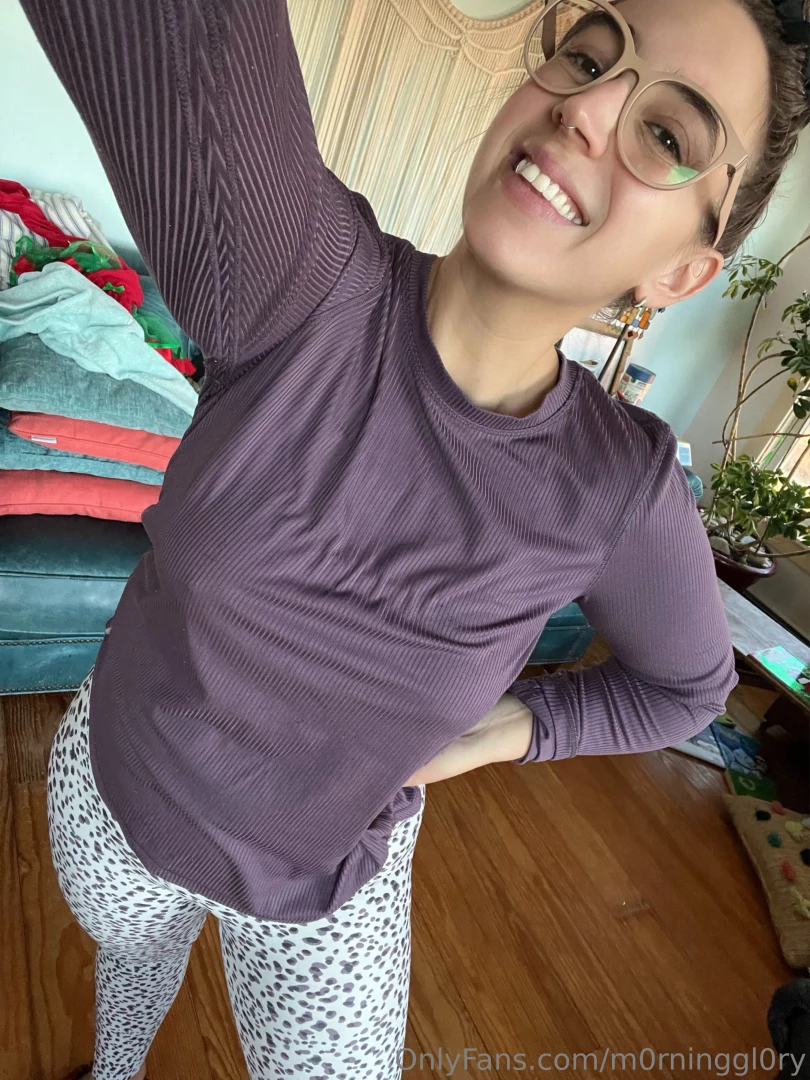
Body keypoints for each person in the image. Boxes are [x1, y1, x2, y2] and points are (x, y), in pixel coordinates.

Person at [21, 0, 809, 1077]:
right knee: (131, 965)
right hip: (117, 793)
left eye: (668, 133)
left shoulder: (617, 487)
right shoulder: (302, 283)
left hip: (331, 885)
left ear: (678, 275)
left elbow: (686, 688)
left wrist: (506, 732)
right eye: (589, 57)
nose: (588, 108)